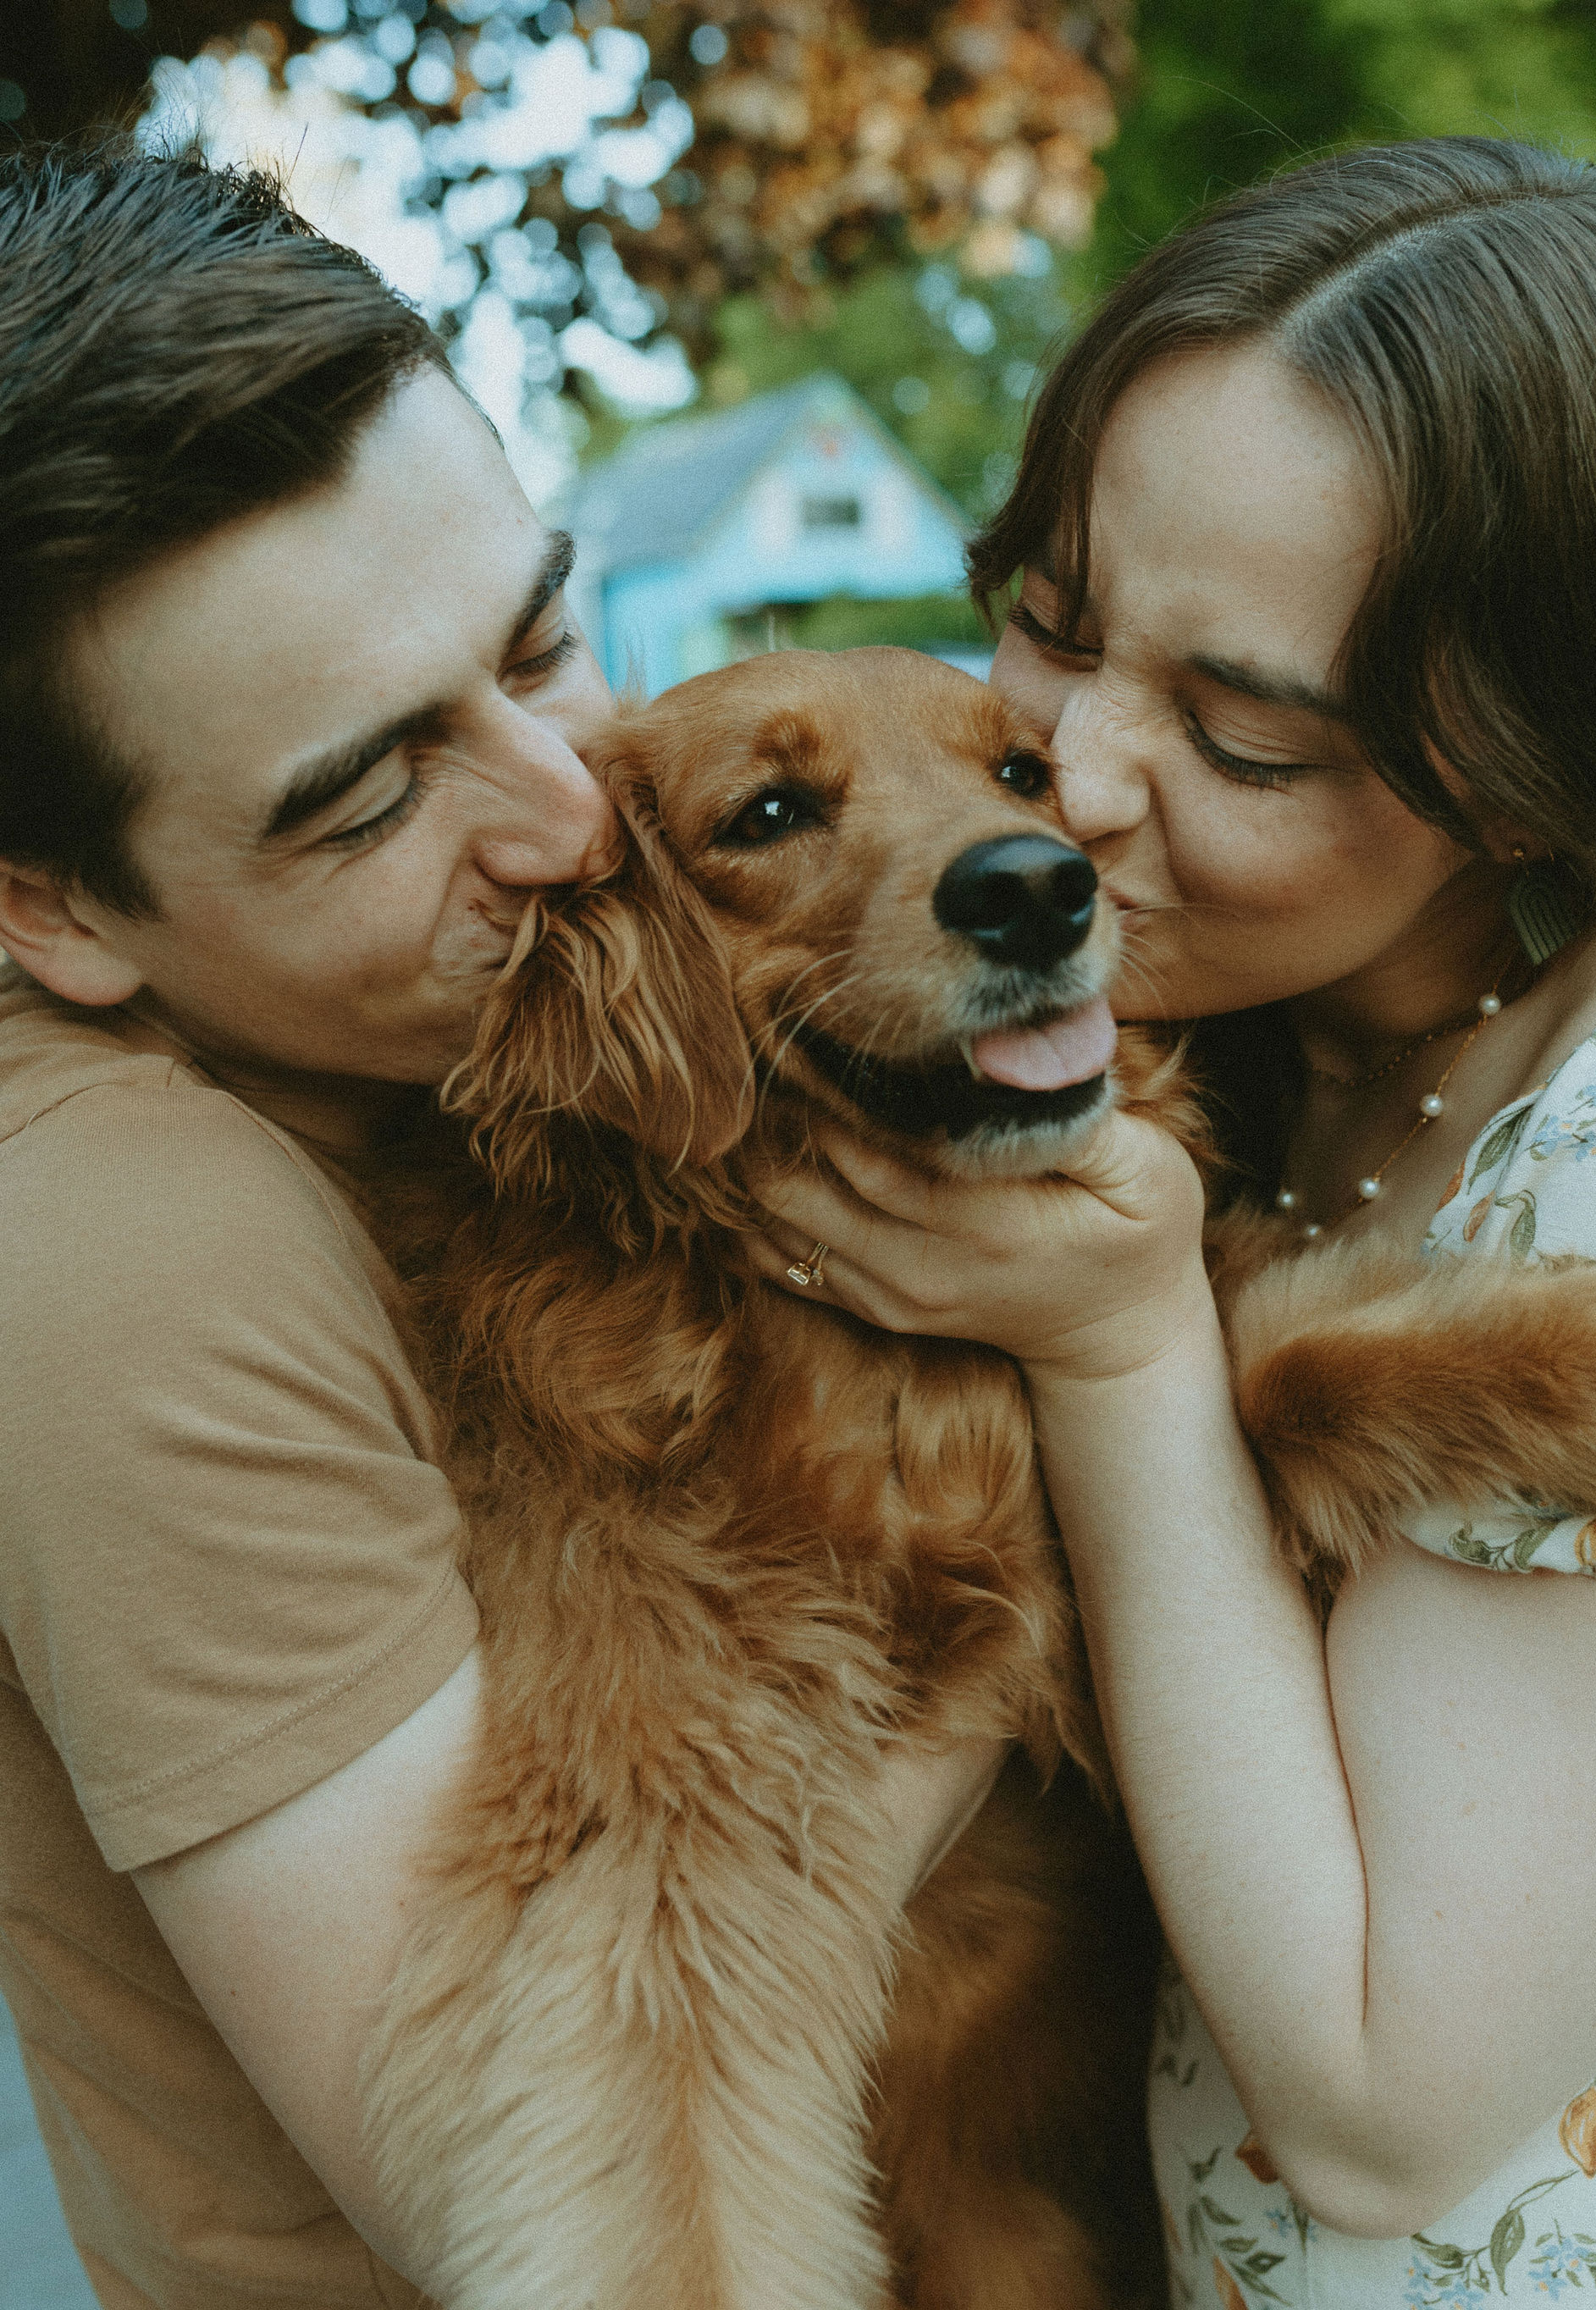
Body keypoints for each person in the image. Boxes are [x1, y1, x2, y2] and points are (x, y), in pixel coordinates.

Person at [0, 141, 990, 2309]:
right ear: (49, 907)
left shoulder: (445, 1061)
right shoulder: (124, 1240)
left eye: (544, 639)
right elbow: (544, 2202)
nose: (573, 810)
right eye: (368, 794)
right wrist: (1050, 1480)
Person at [752, 137, 1596, 2307]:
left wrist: (1119, 1354)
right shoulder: (1222, 1037)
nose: (1072, 780)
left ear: (1545, 762)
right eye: (1049, 619)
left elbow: (1383, 2107)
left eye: (1236, 731)